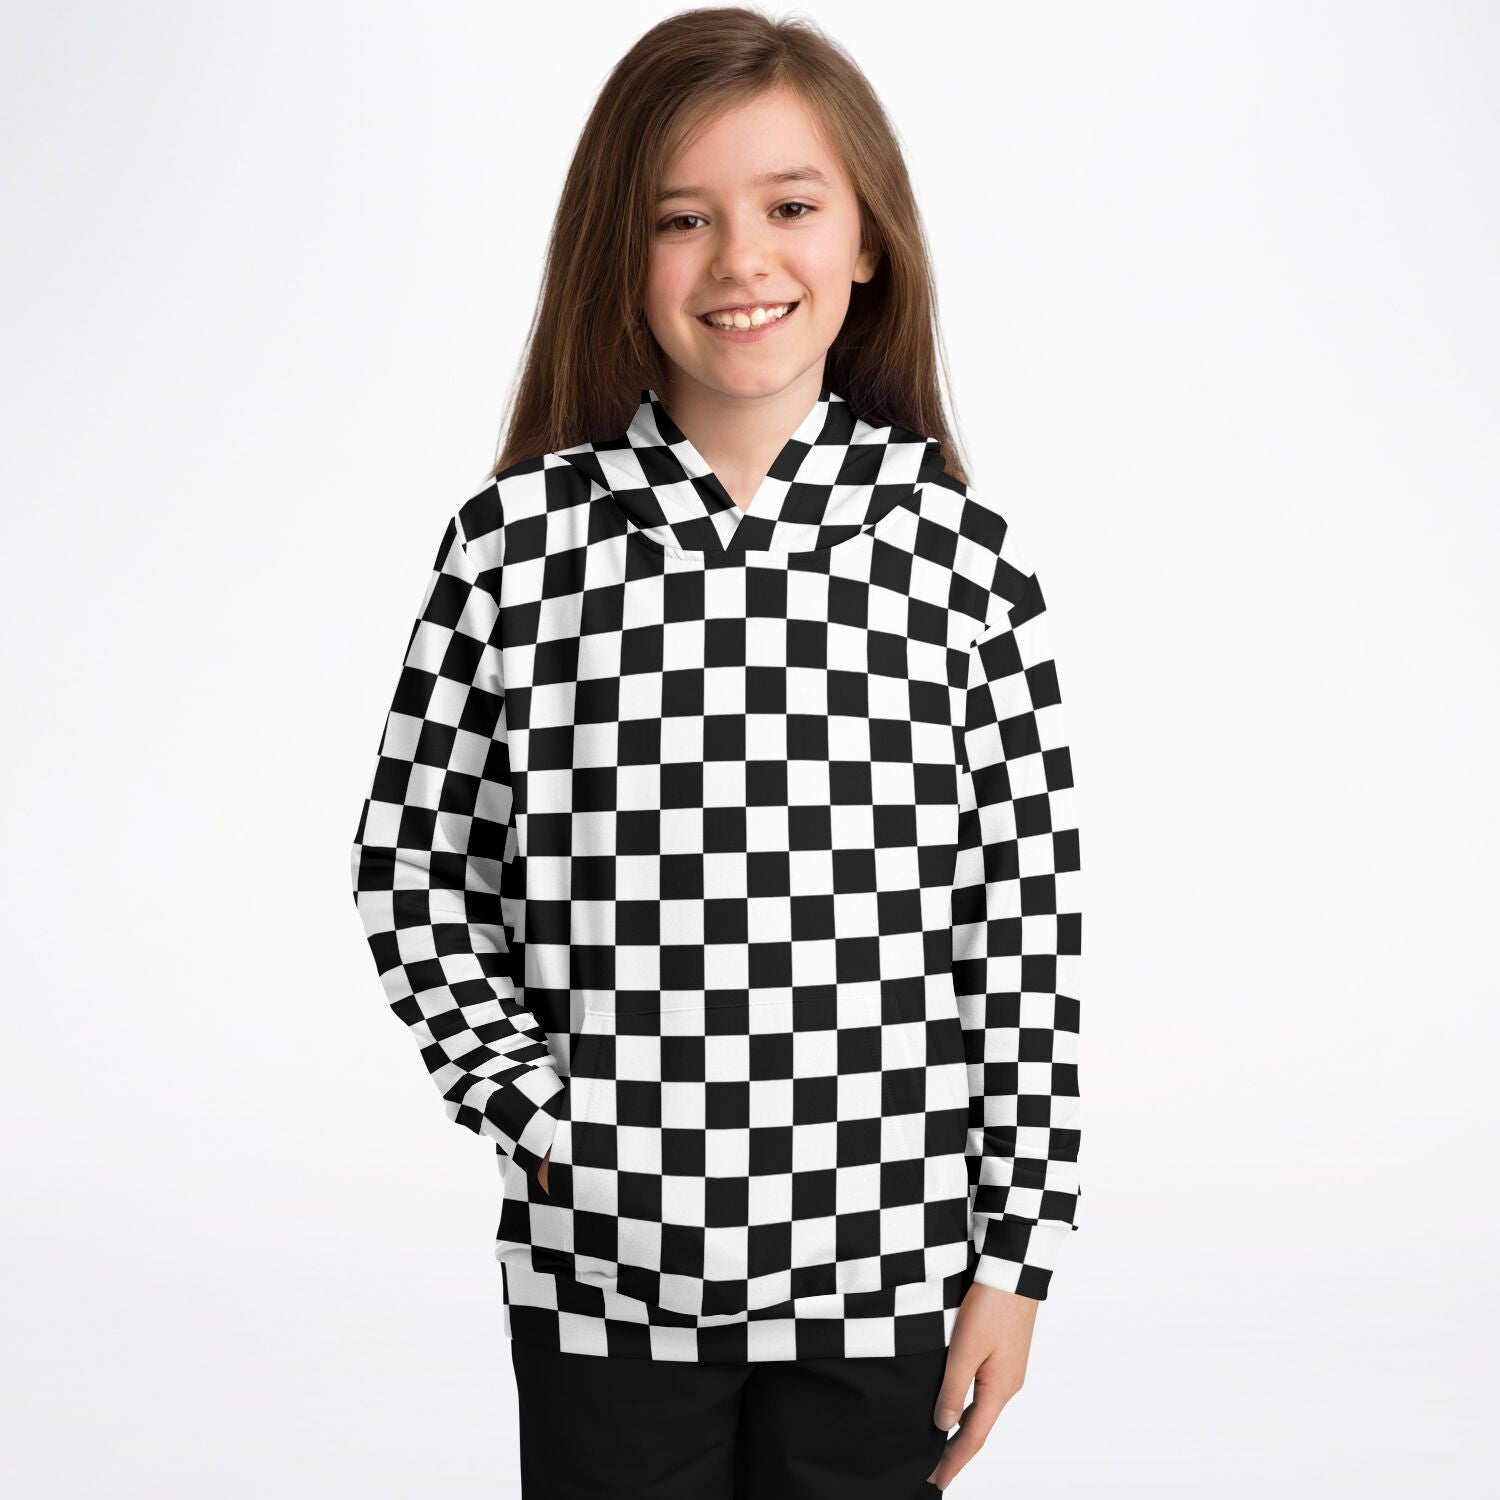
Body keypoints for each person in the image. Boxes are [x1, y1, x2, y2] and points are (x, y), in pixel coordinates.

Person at [347, 8, 1083, 1496]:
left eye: (791, 207)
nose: (743, 259)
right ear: (618, 256)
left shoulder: (962, 566)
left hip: (888, 1267)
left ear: (869, 242)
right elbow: (412, 871)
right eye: (683, 220)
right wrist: (540, 1123)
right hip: (605, 1273)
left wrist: (1018, 1256)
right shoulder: (515, 551)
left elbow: (1022, 936)